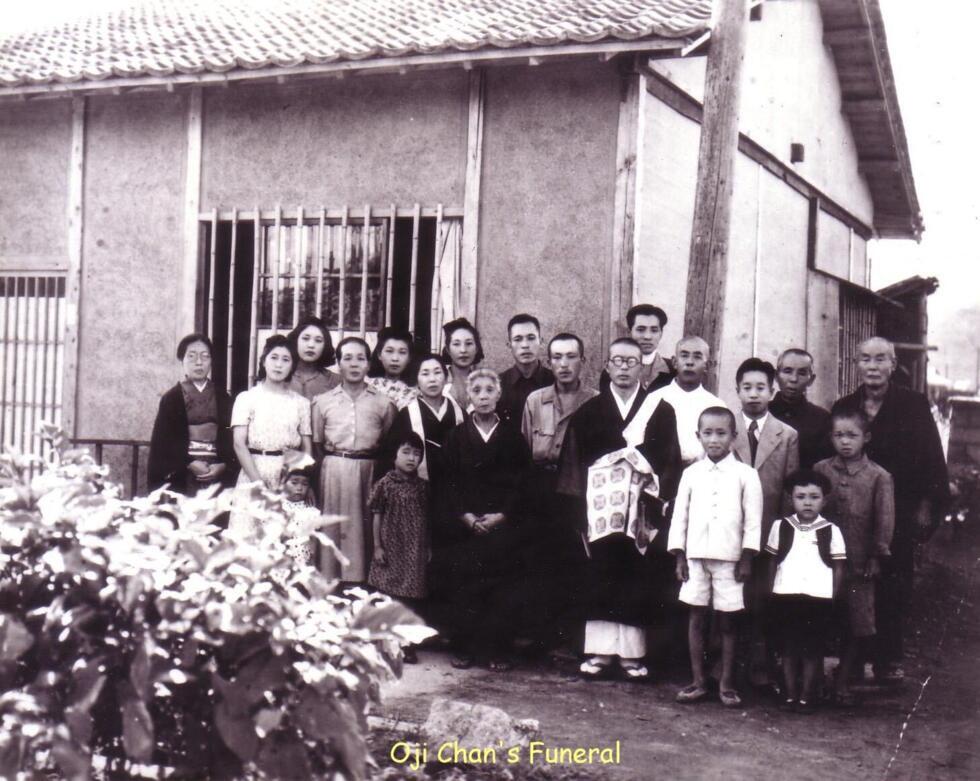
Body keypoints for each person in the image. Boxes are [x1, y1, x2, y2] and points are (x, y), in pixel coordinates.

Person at [557, 338, 681, 680]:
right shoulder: (589, 412)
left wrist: (657, 501)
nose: (624, 368)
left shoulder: (660, 410)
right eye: (617, 361)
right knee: (600, 573)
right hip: (600, 512)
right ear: (607, 366)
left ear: (642, 366)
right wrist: (578, 509)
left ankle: (631, 655)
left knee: (635, 576)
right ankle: (599, 652)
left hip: (641, 508)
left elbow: (670, 461)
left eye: (631, 361)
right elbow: (573, 462)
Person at [833, 337, 949, 681]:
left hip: (900, 507)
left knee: (894, 582)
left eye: (880, 359)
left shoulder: (913, 405)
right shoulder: (846, 405)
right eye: (866, 359)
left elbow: (932, 458)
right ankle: (852, 660)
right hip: (853, 508)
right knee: (853, 581)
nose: (873, 366)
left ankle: (888, 660)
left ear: (893, 364)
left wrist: (926, 506)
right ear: (856, 364)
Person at [436, 369, 533, 671]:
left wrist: (502, 515)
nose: (483, 396)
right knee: (465, 585)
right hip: (466, 526)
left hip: (501, 525)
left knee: (501, 588)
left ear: (498, 395)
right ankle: (464, 648)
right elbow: (447, 482)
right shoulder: (455, 437)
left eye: (489, 390)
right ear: (468, 395)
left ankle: (496, 651)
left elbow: (523, 484)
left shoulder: (513, 438)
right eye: (476, 390)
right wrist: (465, 516)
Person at [668, 407, 762, 708]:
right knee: (696, 617)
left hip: (730, 559)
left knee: (728, 621)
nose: (714, 440)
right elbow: (679, 517)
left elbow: (753, 521)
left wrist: (746, 557)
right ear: (698, 436)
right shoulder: (691, 474)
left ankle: (726, 683)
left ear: (734, 436)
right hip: (695, 557)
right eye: (707, 433)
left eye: (721, 433)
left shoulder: (746, 475)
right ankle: (698, 681)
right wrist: (680, 555)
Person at [520, 332, 598, 649]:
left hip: (579, 493)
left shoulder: (595, 401)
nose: (564, 364)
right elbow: (524, 452)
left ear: (583, 361)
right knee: (540, 563)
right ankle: (541, 639)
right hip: (541, 492)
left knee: (575, 565)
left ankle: (571, 641)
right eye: (557, 357)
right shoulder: (535, 401)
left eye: (571, 356)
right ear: (549, 362)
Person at [815, 408, 895, 705]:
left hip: (859, 562)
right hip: (821, 560)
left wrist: (877, 555)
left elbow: (885, 519)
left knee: (855, 622)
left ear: (866, 437)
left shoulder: (879, 477)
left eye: (852, 435)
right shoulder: (821, 469)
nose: (845, 442)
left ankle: (843, 681)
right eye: (839, 435)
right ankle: (814, 680)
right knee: (818, 617)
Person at [731, 357, 800, 686]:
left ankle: (760, 664)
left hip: (768, 526)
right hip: (730, 528)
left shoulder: (787, 435)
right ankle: (727, 665)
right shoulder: (725, 429)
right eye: (747, 387)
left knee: (761, 597)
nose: (754, 394)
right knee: (730, 596)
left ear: (773, 392)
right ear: (737, 390)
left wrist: (783, 533)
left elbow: (789, 488)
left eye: (761, 387)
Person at [312, 336, 396, 583]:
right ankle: (330, 578)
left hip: (369, 470)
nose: (354, 364)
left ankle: (362, 581)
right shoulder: (323, 402)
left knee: (365, 526)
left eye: (360, 358)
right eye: (347, 358)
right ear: (338, 363)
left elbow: (388, 442)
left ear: (369, 364)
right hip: (333, 470)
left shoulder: (384, 403)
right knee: (333, 526)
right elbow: (317, 444)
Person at [765, 470, 846, 714]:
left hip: (817, 598)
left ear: (824, 500)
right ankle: (790, 695)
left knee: (812, 650)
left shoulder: (831, 530)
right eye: (801, 497)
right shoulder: (781, 526)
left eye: (814, 497)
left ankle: (806, 697)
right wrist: (771, 591)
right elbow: (772, 562)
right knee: (789, 648)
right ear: (791, 499)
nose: (807, 502)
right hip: (786, 595)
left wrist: (833, 596)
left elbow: (838, 567)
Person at [228, 336, 313, 540]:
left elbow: (307, 448)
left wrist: (299, 480)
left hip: (288, 477)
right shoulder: (247, 398)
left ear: (292, 366)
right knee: (247, 537)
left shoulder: (301, 403)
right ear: (263, 361)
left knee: (285, 540)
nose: (279, 364)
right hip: (253, 472)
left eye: (286, 359)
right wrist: (258, 484)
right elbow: (239, 444)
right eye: (274, 357)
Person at [368, 432, 430, 663]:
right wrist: (377, 546)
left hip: (414, 549)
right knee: (389, 596)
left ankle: (406, 645)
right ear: (394, 455)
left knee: (410, 599)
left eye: (417, 453)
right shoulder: (384, 484)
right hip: (391, 546)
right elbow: (376, 516)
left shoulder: (422, 487)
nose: (412, 458)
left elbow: (427, 519)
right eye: (406, 452)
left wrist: (428, 546)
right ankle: (386, 644)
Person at [148, 333, 236, 494]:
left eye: (205, 356)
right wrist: (188, 462)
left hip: (216, 471)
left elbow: (232, 439)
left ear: (211, 361)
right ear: (182, 360)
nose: (199, 362)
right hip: (183, 472)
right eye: (191, 356)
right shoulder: (171, 398)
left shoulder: (223, 398)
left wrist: (224, 465)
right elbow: (162, 443)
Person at [624, 336, 726, 467]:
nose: (690, 362)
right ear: (674, 362)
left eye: (697, 357)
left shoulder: (716, 405)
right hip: (660, 472)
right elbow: (634, 437)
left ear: (707, 365)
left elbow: (723, 445)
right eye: (684, 356)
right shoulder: (656, 398)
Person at [769, 348, 832, 469]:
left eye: (802, 373)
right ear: (776, 376)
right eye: (787, 371)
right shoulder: (763, 412)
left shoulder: (822, 419)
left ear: (811, 379)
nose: (794, 379)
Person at [600, 304, 675, 392]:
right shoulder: (613, 369)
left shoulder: (673, 369)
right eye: (640, 330)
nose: (647, 336)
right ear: (629, 332)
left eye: (654, 330)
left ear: (661, 334)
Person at [497, 313, 554, 426]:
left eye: (531, 338)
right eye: (518, 339)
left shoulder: (554, 381)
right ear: (509, 345)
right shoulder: (498, 384)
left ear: (541, 341)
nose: (525, 345)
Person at [287, 316, 339, 400]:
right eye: (305, 338)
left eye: (318, 340)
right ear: (295, 341)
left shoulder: (336, 381)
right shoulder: (281, 376)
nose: (311, 345)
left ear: (325, 346)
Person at [368, 326, 419, 410]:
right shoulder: (367, 385)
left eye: (402, 352)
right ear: (379, 354)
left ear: (409, 357)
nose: (395, 358)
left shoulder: (417, 391)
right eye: (389, 351)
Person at [441, 317, 484, 409]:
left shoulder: (484, 382)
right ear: (448, 349)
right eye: (456, 344)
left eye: (468, 343)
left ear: (477, 348)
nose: (463, 350)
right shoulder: (439, 380)